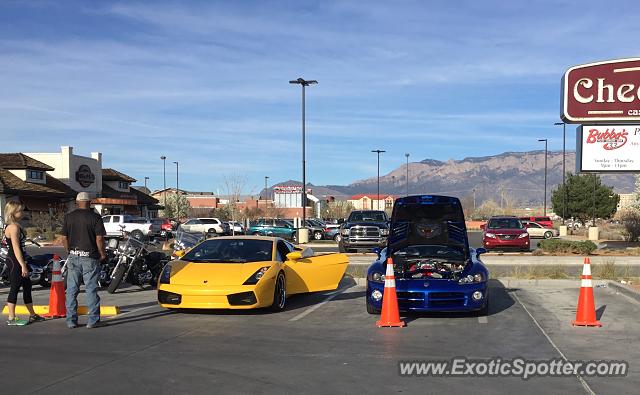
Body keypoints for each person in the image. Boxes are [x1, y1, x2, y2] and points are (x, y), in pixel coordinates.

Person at [60, 192, 107, 329]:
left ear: (76, 202)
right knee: (91, 289)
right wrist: (102, 253)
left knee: (71, 290)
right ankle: (92, 320)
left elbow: (64, 237)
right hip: (90, 257)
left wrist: (69, 251)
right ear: (90, 202)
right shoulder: (95, 218)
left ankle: (71, 320)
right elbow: (99, 238)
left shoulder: (69, 217)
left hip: (74, 256)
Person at [3, 201, 45, 326]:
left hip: (18, 260)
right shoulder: (13, 227)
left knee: (27, 286)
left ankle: (32, 315)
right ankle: (11, 317)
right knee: (15, 288)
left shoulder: (14, 226)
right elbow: (16, 248)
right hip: (15, 261)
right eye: (19, 211)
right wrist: (22, 265)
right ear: (12, 212)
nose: (22, 213)